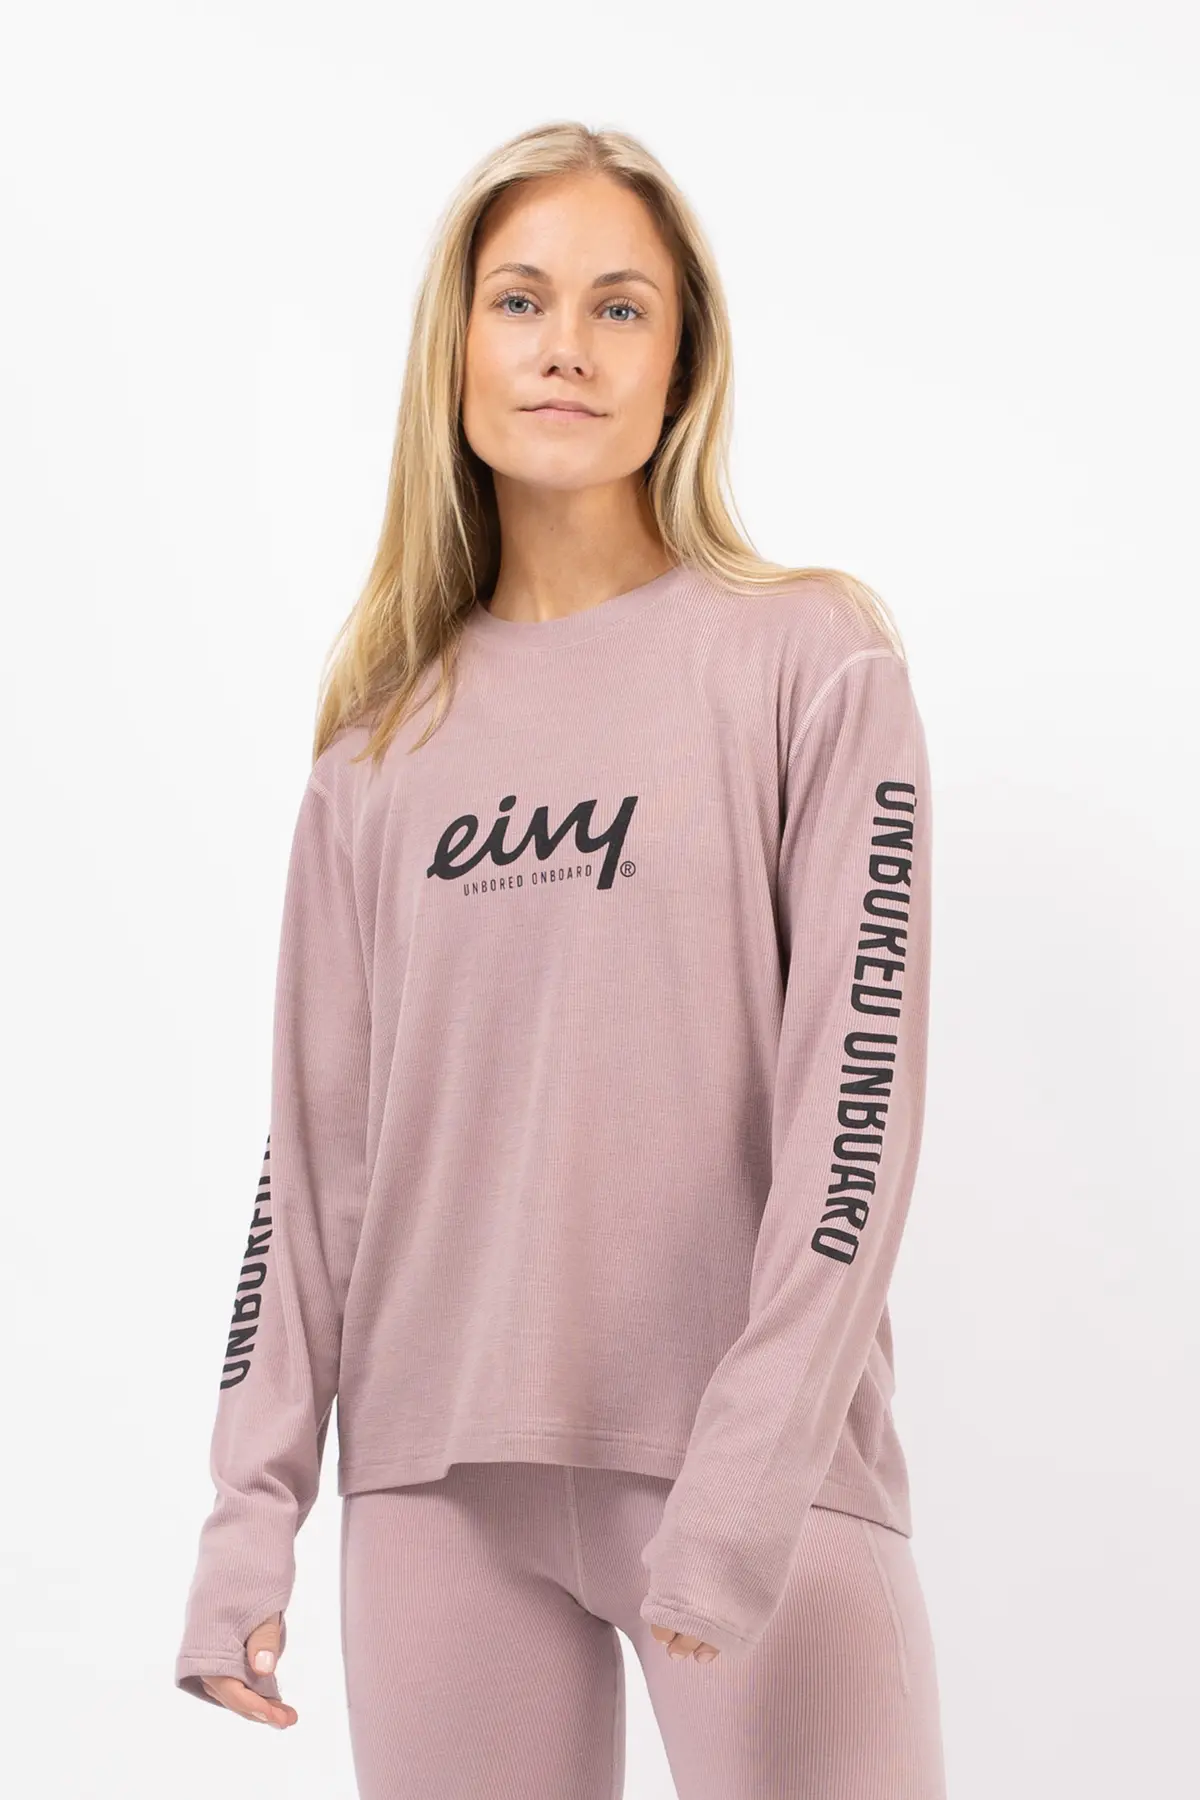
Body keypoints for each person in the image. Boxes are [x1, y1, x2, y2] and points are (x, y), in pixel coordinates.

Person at [173, 118, 948, 1799]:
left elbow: (856, 1110)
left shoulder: (811, 661)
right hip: (435, 1486)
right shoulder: (376, 749)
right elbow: (314, 1162)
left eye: (621, 307)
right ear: (455, 347)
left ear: (683, 363)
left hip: (748, 1472)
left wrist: (748, 1484)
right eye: (521, 299)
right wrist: (250, 1514)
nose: (566, 348)